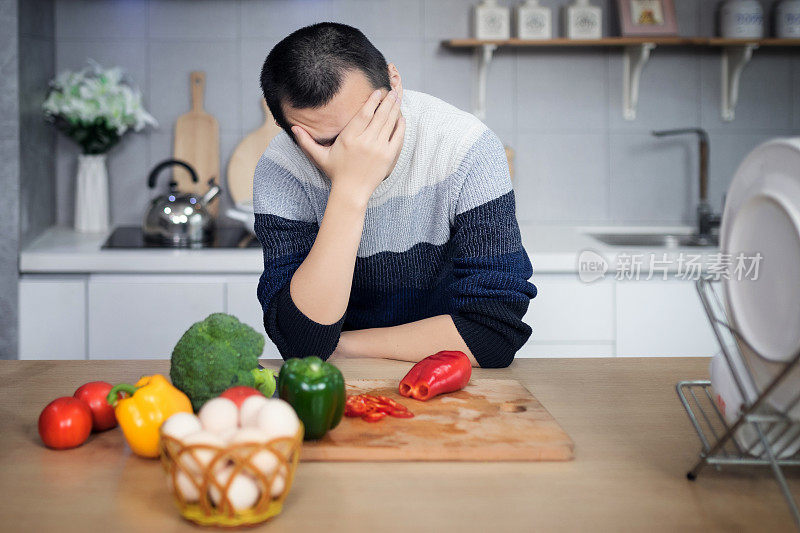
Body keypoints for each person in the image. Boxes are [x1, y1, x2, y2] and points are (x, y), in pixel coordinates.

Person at [256, 22, 536, 368]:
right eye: (329, 142)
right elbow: (300, 338)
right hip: (334, 384)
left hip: (447, 379)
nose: (357, 147)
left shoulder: (467, 148)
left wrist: (342, 346)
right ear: (286, 128)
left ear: (394, 83)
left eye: (368, 120)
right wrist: (350, 190)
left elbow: (494, 333)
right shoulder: (282, 167)